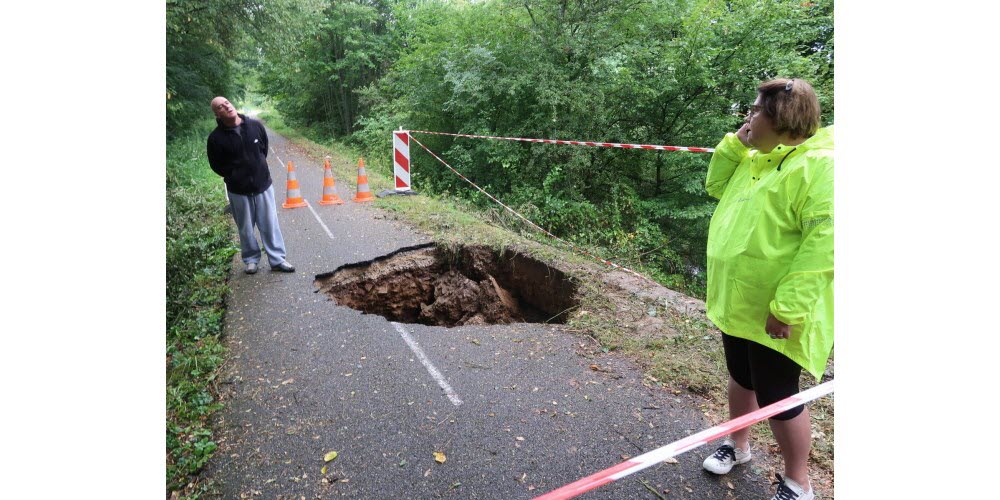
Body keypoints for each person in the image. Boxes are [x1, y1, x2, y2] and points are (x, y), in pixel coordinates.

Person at [700, 78, 833, 500]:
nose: (748, 117)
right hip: (739, 300)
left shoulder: (820, 167)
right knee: (741, 375)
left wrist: (789, 308)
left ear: (780, 118)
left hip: (778, 309)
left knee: (778, 393)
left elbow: (825, 245)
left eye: (755, 110)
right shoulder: (755, 158)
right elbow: (715, 187)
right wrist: (735, 145)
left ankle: (799, 483)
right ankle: (738, 447)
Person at [207, 96, 295, 274]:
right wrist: (234, 175)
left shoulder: (255, 126)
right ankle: (251, 260)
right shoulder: (215, 138)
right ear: (217, 114)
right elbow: (216, 165)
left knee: (270, 224)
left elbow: (264, 150)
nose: (226, 106)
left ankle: (277, 259)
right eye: (220, 107)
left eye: (226, 103)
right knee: (245, 228)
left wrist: (258, 169)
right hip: (238, 190)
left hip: (263, 185)